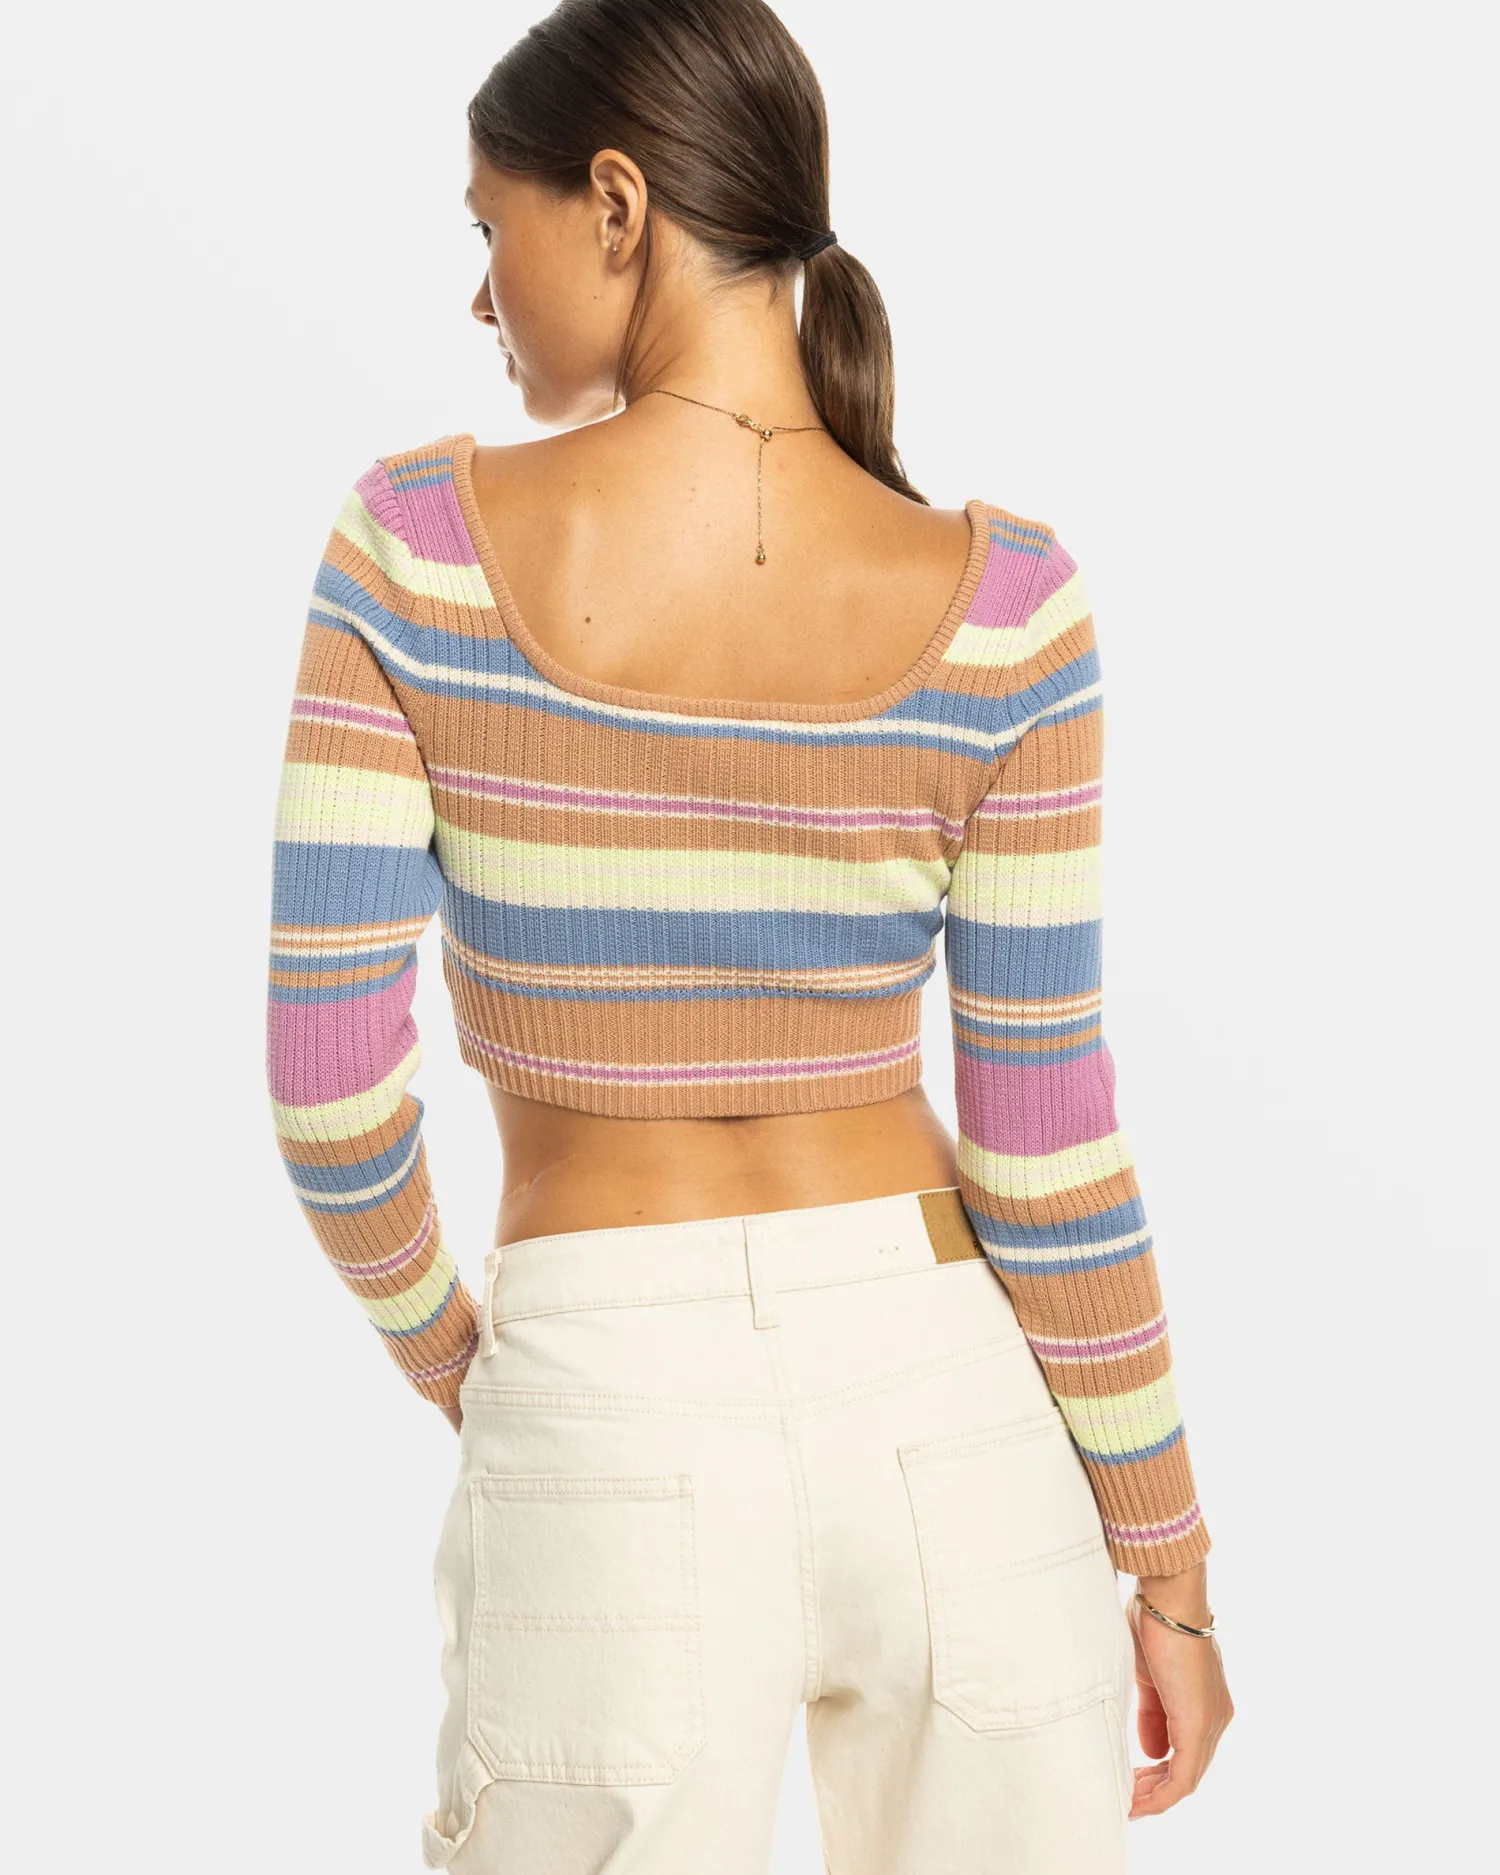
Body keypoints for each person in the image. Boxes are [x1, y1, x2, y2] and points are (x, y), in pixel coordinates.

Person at [265, 1, 1233, 1867]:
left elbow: (329, 1097)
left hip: (608, 1403)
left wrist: (476, 1367)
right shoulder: (1011, 608)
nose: (480, 294)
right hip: (956, 1417)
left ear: (616, 205)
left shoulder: (414, 554)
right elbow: (1047, 1145)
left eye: (489, 230)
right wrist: (1169, 1563)